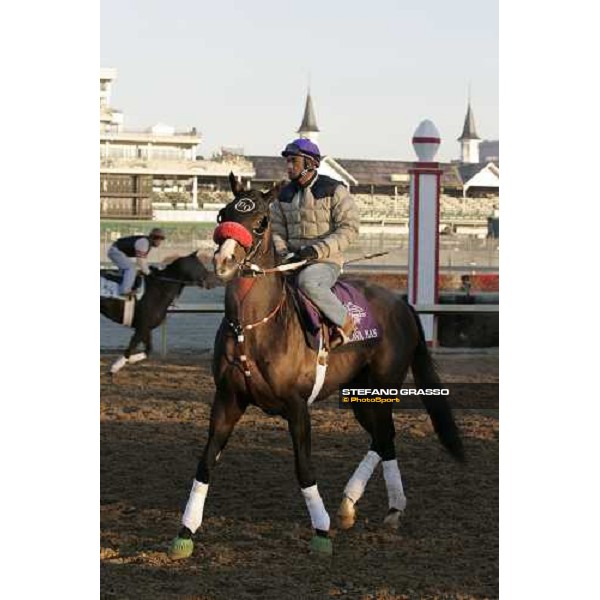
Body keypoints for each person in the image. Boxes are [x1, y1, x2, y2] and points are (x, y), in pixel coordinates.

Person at [270, 138, 360, 347]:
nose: (289, 166)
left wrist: (315, 251)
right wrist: (283, 253)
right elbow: (276, 231)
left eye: (294, 161)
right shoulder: (283, 195)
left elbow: (349, 229)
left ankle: (345, 322)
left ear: (309, 164)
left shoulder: (335, 190)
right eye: (288, 162)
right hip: (291, 261)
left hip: (325, 262)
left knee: (307, 282)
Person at [107, 228, 166, 297]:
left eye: (162, 239)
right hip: (115, 251)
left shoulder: (146, 242)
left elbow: (143, 260)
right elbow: (140, 261)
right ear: (154, 238)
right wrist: (148, 272)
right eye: (159, 239)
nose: (160, 241)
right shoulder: (144, 243)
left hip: (116, 250)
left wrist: (145, 270)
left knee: (128, 268)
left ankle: (120, 285)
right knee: (130, 268)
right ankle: (124, 291)